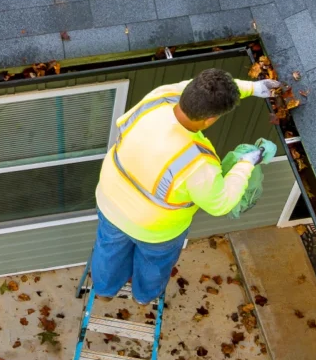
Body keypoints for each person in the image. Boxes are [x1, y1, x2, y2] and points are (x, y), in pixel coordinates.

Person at [90, 68, 280, 304]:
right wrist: (246, 163)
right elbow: (220, 203)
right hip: (155, 230)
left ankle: (104, 291)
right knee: (153, 265)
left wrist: (252, 88)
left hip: (111, 202)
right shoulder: (197, 163)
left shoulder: (160, 97)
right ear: (210, 119)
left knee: (109, 251)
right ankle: (143, 297)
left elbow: (200, 89)